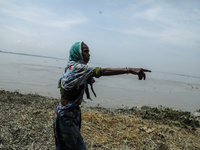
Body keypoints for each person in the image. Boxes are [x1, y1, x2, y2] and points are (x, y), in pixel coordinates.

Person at [53, 41, 151, 150]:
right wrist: (129, 70)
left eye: (89, 52)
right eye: (85, 52)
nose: (89, 55)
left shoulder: (71, 66)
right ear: (77, 53)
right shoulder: (77, 68)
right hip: (66, 116)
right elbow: (102, 71)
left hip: (68, 113)